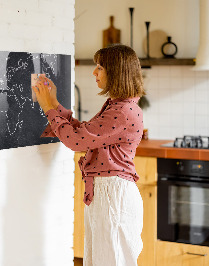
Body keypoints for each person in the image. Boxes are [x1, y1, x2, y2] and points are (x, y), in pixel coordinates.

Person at [33, 44, 145, 266]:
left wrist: (48, 108)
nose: (94, 72)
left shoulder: (122, 111)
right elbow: (84, 133)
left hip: (113, 195)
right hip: (108, 193)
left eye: (100, 67)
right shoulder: (118, 106)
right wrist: (54, 103)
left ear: (116, 72)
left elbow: (76, 141)